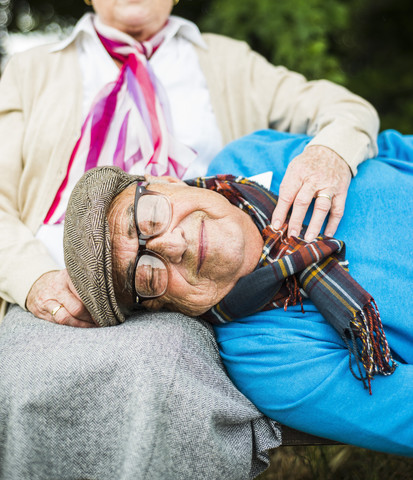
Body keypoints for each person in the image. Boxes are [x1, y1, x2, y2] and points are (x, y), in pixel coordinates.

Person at [0, 0, 380, 476]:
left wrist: (329, 152)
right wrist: (33, 281)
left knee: (163, 366)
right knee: (24, 379)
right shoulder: (31, 68)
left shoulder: (226, 59)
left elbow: (342, 106)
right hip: (53, 272)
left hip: (185, 279)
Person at [63, 127, 413, 457]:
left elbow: (393, 150)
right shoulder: (268, 360)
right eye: (147, 276)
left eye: (151, 217)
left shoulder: (248, 157)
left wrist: (335, 150)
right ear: (162, 308)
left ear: (165, 181)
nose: (172, 245)